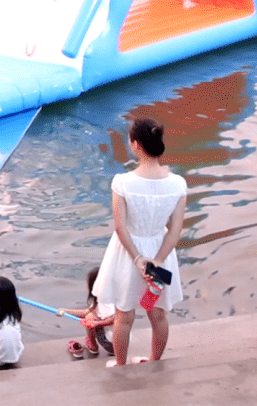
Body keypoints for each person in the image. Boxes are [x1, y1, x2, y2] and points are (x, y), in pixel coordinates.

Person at [93, 118, 186, 367]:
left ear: (135, 145)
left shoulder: (122, 182)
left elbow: (120, 227)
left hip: (127, 252)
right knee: (158, 313)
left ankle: (120, 364)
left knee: (123, 316)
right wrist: (157, 260)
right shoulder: (178, 184)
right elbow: (175, 230)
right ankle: (154, 360)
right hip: (161, 251)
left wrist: (137, 258)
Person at [58, 266, 115, 358]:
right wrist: (65, 311)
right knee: (90, 315)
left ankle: (93, 346)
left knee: (90, 318)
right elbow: (85, 312)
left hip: (112, 345)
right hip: (122, 343)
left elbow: (116, 318)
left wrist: (97, 323)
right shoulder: (106, 299)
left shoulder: (106, 304)